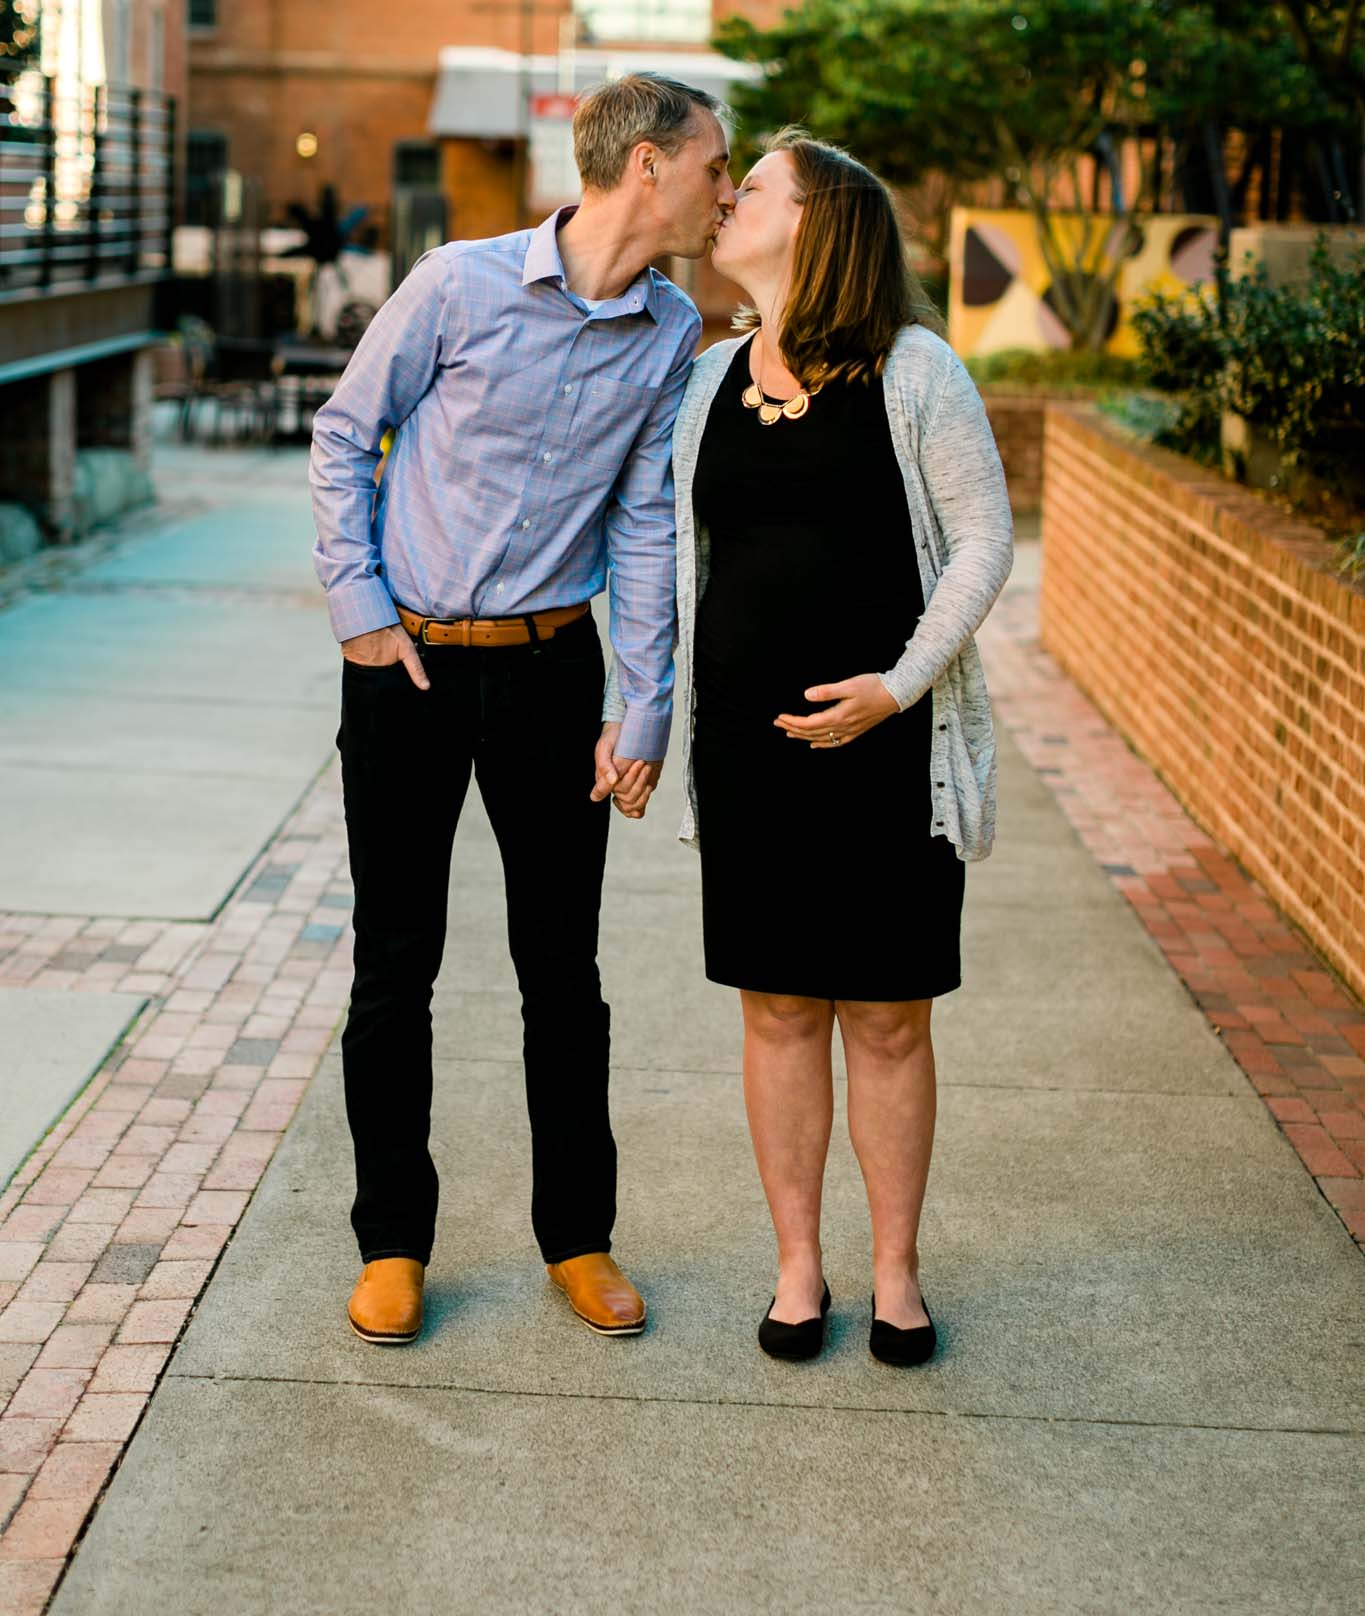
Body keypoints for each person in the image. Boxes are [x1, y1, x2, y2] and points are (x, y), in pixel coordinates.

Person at [309, 73, 736, 1345]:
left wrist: (644, 702)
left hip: (553, 671)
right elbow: (346, 432)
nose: (727, 186)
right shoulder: (458, 281)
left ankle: (579, 1236)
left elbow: (646, 522)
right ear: (648, 166)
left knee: (564, 970)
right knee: (397, 964)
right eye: (717, 162)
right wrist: (361, 609)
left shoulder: (672, 334)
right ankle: (392, 1239)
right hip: (409, 667)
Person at [601, 130, 1012, 1365]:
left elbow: (984, 542)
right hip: (749, 750)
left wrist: (897, 686)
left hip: (886, 749)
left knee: (888, 1015)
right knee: (777, 1005)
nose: (728, 200)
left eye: (755, 187)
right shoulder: (708, 378)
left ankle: (895, 1272)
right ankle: (797, 1268)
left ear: (818, 223)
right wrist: (650, 715)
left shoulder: (918, 372)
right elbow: (674, 554)